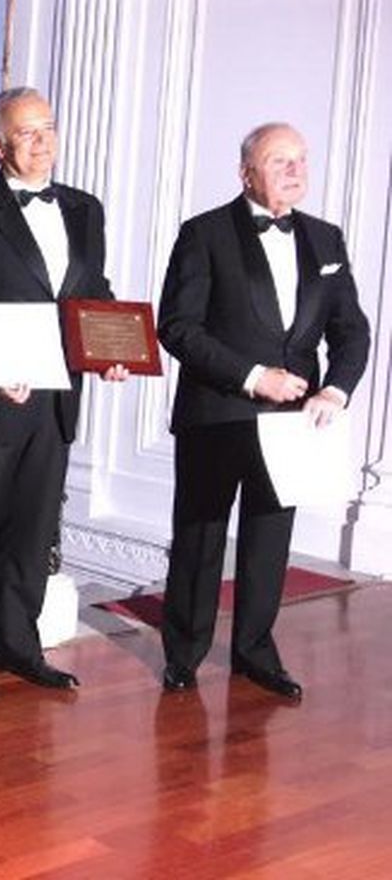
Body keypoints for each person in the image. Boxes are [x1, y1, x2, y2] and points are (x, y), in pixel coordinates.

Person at [157, 123, 369, 699]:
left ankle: (255, 650)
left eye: (301, 159)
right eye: (280, 161)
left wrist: (335, 391)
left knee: (269, 540)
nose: (296, 170)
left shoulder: (326, 239)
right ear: (246, 171)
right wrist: (254, 378)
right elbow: (178, 328)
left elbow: (352, 330)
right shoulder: (203, 234)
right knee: (201, 535)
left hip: (295, 422)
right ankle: (184, 653)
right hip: (218, 412)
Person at [0, 87, 127, 701]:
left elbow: (92, 290)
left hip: (55, 396)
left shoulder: (86, 209)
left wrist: (114, 347)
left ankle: (18, 643)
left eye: (48, 129)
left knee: (32, 532)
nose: (43, 143)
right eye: (27, 133)